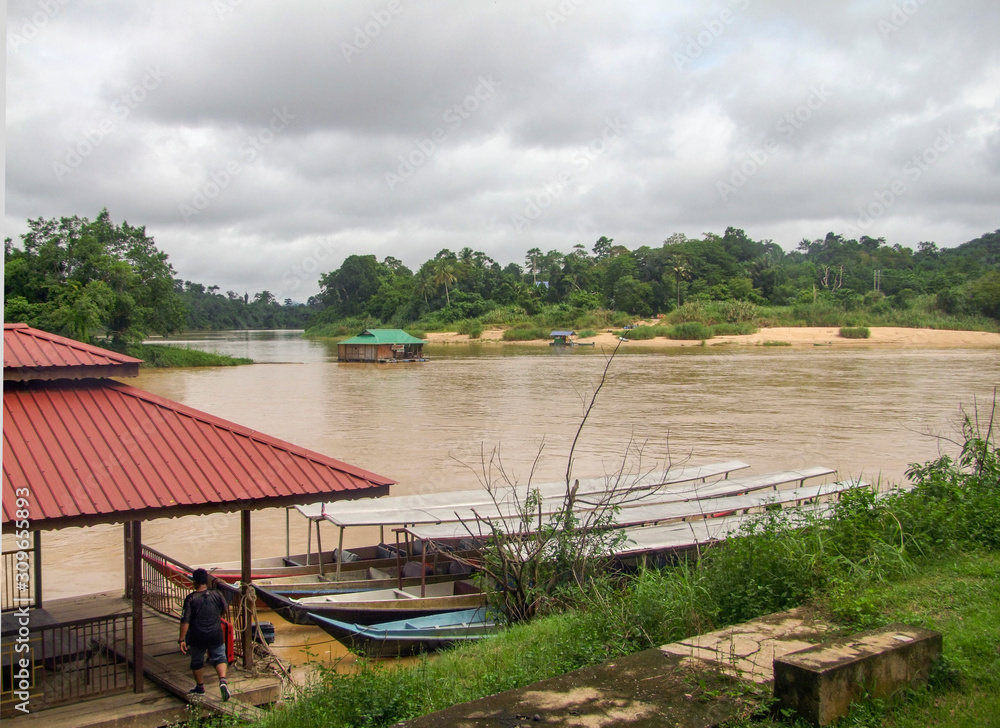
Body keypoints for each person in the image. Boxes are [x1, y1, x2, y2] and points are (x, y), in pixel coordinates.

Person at [178, 568, 231, 700]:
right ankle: (223, 680)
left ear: (194, 582)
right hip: (215, 632)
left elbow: (185, 621)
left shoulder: (191, 599)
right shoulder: (217, 594)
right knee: (220, 657)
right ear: (206, 581)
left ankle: (200, 687)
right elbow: (225, 609)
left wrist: (181, 639)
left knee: (197, 661)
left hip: (197, 635)